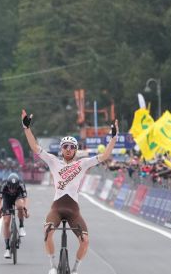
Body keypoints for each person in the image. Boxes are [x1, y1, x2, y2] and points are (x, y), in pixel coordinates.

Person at [21, 109, 119, 274]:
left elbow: (104, 156)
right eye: (65, 146)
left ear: (75, 149)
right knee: (47, 233)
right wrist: (26, 129)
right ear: (61, 149)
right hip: (56, 209)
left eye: (71, 147)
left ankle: (74, 269)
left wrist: (114, 138)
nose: (68, 149)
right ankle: (52, 265)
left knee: (85, 241)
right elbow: (35, 147)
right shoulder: (53, 161)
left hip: (74, 211)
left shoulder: (82, 163)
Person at [0, 172, 29, 259]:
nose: (12, 190)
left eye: (15, 188)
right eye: (11, 187)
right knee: (6, 221)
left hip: (18, 198)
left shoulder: (21, 184)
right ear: (8, 184)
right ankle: (7, 248)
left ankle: (21, 226)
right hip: (7, 199)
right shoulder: (3, 184)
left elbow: (25, 199)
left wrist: (25, 209)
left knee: (20, 206)